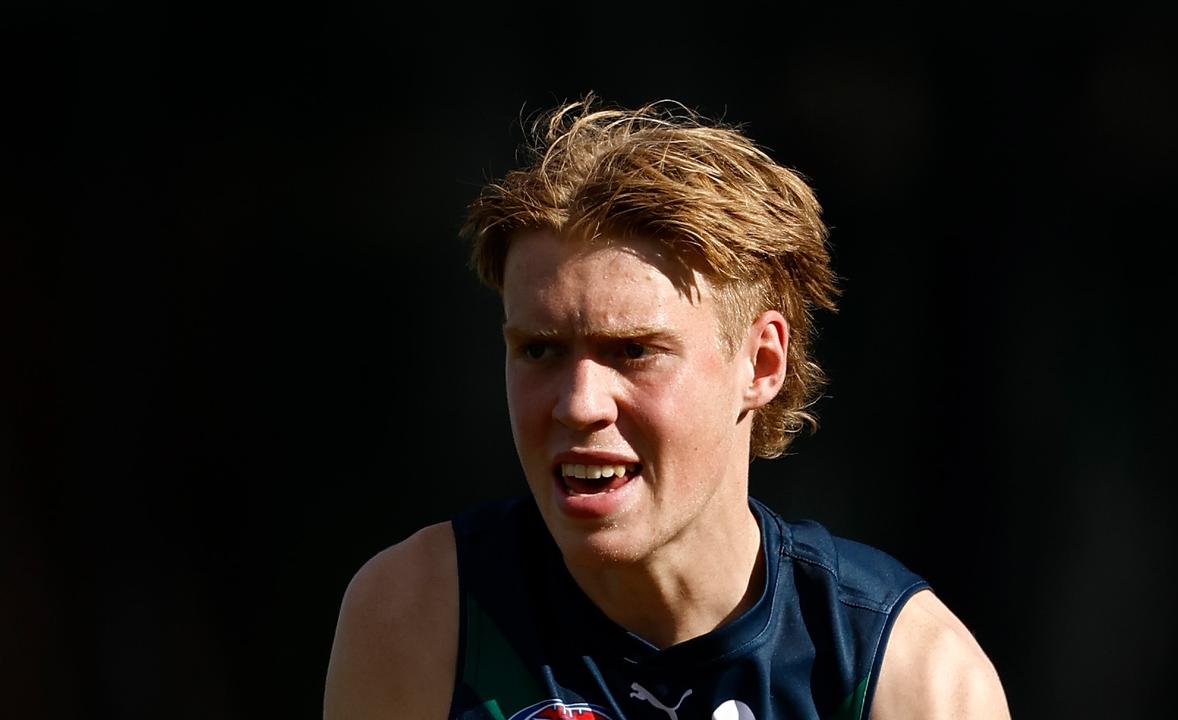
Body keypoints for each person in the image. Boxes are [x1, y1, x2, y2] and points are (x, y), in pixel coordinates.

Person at [323, 94, 1010, 720]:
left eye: (633, 352)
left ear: (761, 363)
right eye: (539, 351)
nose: (579, 404)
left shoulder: (907, 674)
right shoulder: (421, 613)